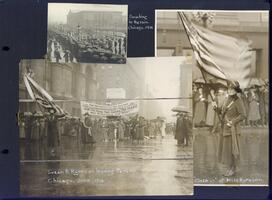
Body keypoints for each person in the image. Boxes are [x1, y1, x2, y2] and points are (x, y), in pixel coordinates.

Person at [214, 80, 246, 177]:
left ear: (236, 91)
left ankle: (232, 168)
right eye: (229, 88)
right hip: (225, 128)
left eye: (233, 89)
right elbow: (222, 113)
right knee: (226, 150)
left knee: (232, 150)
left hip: (233, 130)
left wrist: (232, 122)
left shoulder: (238, 101)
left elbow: (243, 115)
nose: (230, 90)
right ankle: (230, 167)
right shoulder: (227, 99)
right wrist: (216, 108)